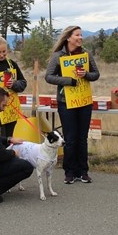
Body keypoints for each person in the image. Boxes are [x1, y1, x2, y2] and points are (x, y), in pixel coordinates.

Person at [45, 25, 100, 184]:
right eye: (77, 35)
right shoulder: (58, 56)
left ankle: (83, 171)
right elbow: (49, 77)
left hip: (84, 101)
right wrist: (69, 81)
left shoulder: (86, 54)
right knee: (70, 137)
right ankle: (69, 172)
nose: (80, 38)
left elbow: (96, 74)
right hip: (66, 102)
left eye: (81, 35)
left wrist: (86, 75)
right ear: (69, 37)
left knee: (82, 138)